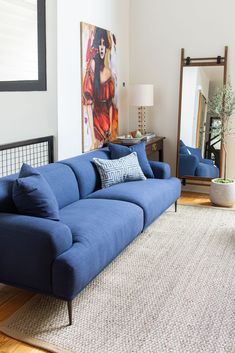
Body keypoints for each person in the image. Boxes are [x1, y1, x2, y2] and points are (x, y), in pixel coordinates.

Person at [83, 27, 118, 150]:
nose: (102, 47)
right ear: (96, 47)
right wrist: (93, 139)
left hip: (106, 125)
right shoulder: (92, 66)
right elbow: (87, 104)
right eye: (100, 44)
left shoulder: (108, 72)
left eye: (104, 44)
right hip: (96, 122)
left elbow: (110, 106)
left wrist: (110, 132)